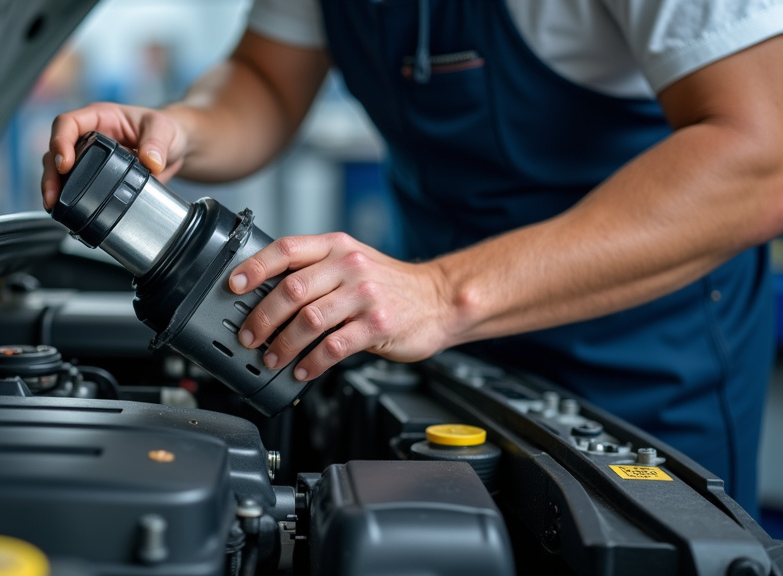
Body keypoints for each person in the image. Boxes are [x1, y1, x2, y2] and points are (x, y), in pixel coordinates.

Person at [42, 0, 783, 516]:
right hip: (453, 356)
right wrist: (181, 128)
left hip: (648, 369)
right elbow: (266, 79)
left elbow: (763, 155)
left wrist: (442, 292)